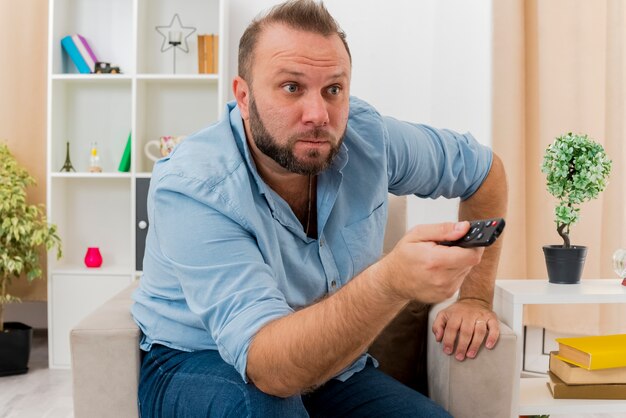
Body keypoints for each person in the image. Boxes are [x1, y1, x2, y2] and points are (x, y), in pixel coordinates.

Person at [132, 1, 508, 416]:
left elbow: (484, 171)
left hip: (330, 365)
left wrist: (475, 297)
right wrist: (390, 282)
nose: (318, 115)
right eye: (292, 87)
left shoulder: (369, 136)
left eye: (333, 89)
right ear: (244, 96)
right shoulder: (194, 185)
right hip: (200, 360)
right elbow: (270, 370)